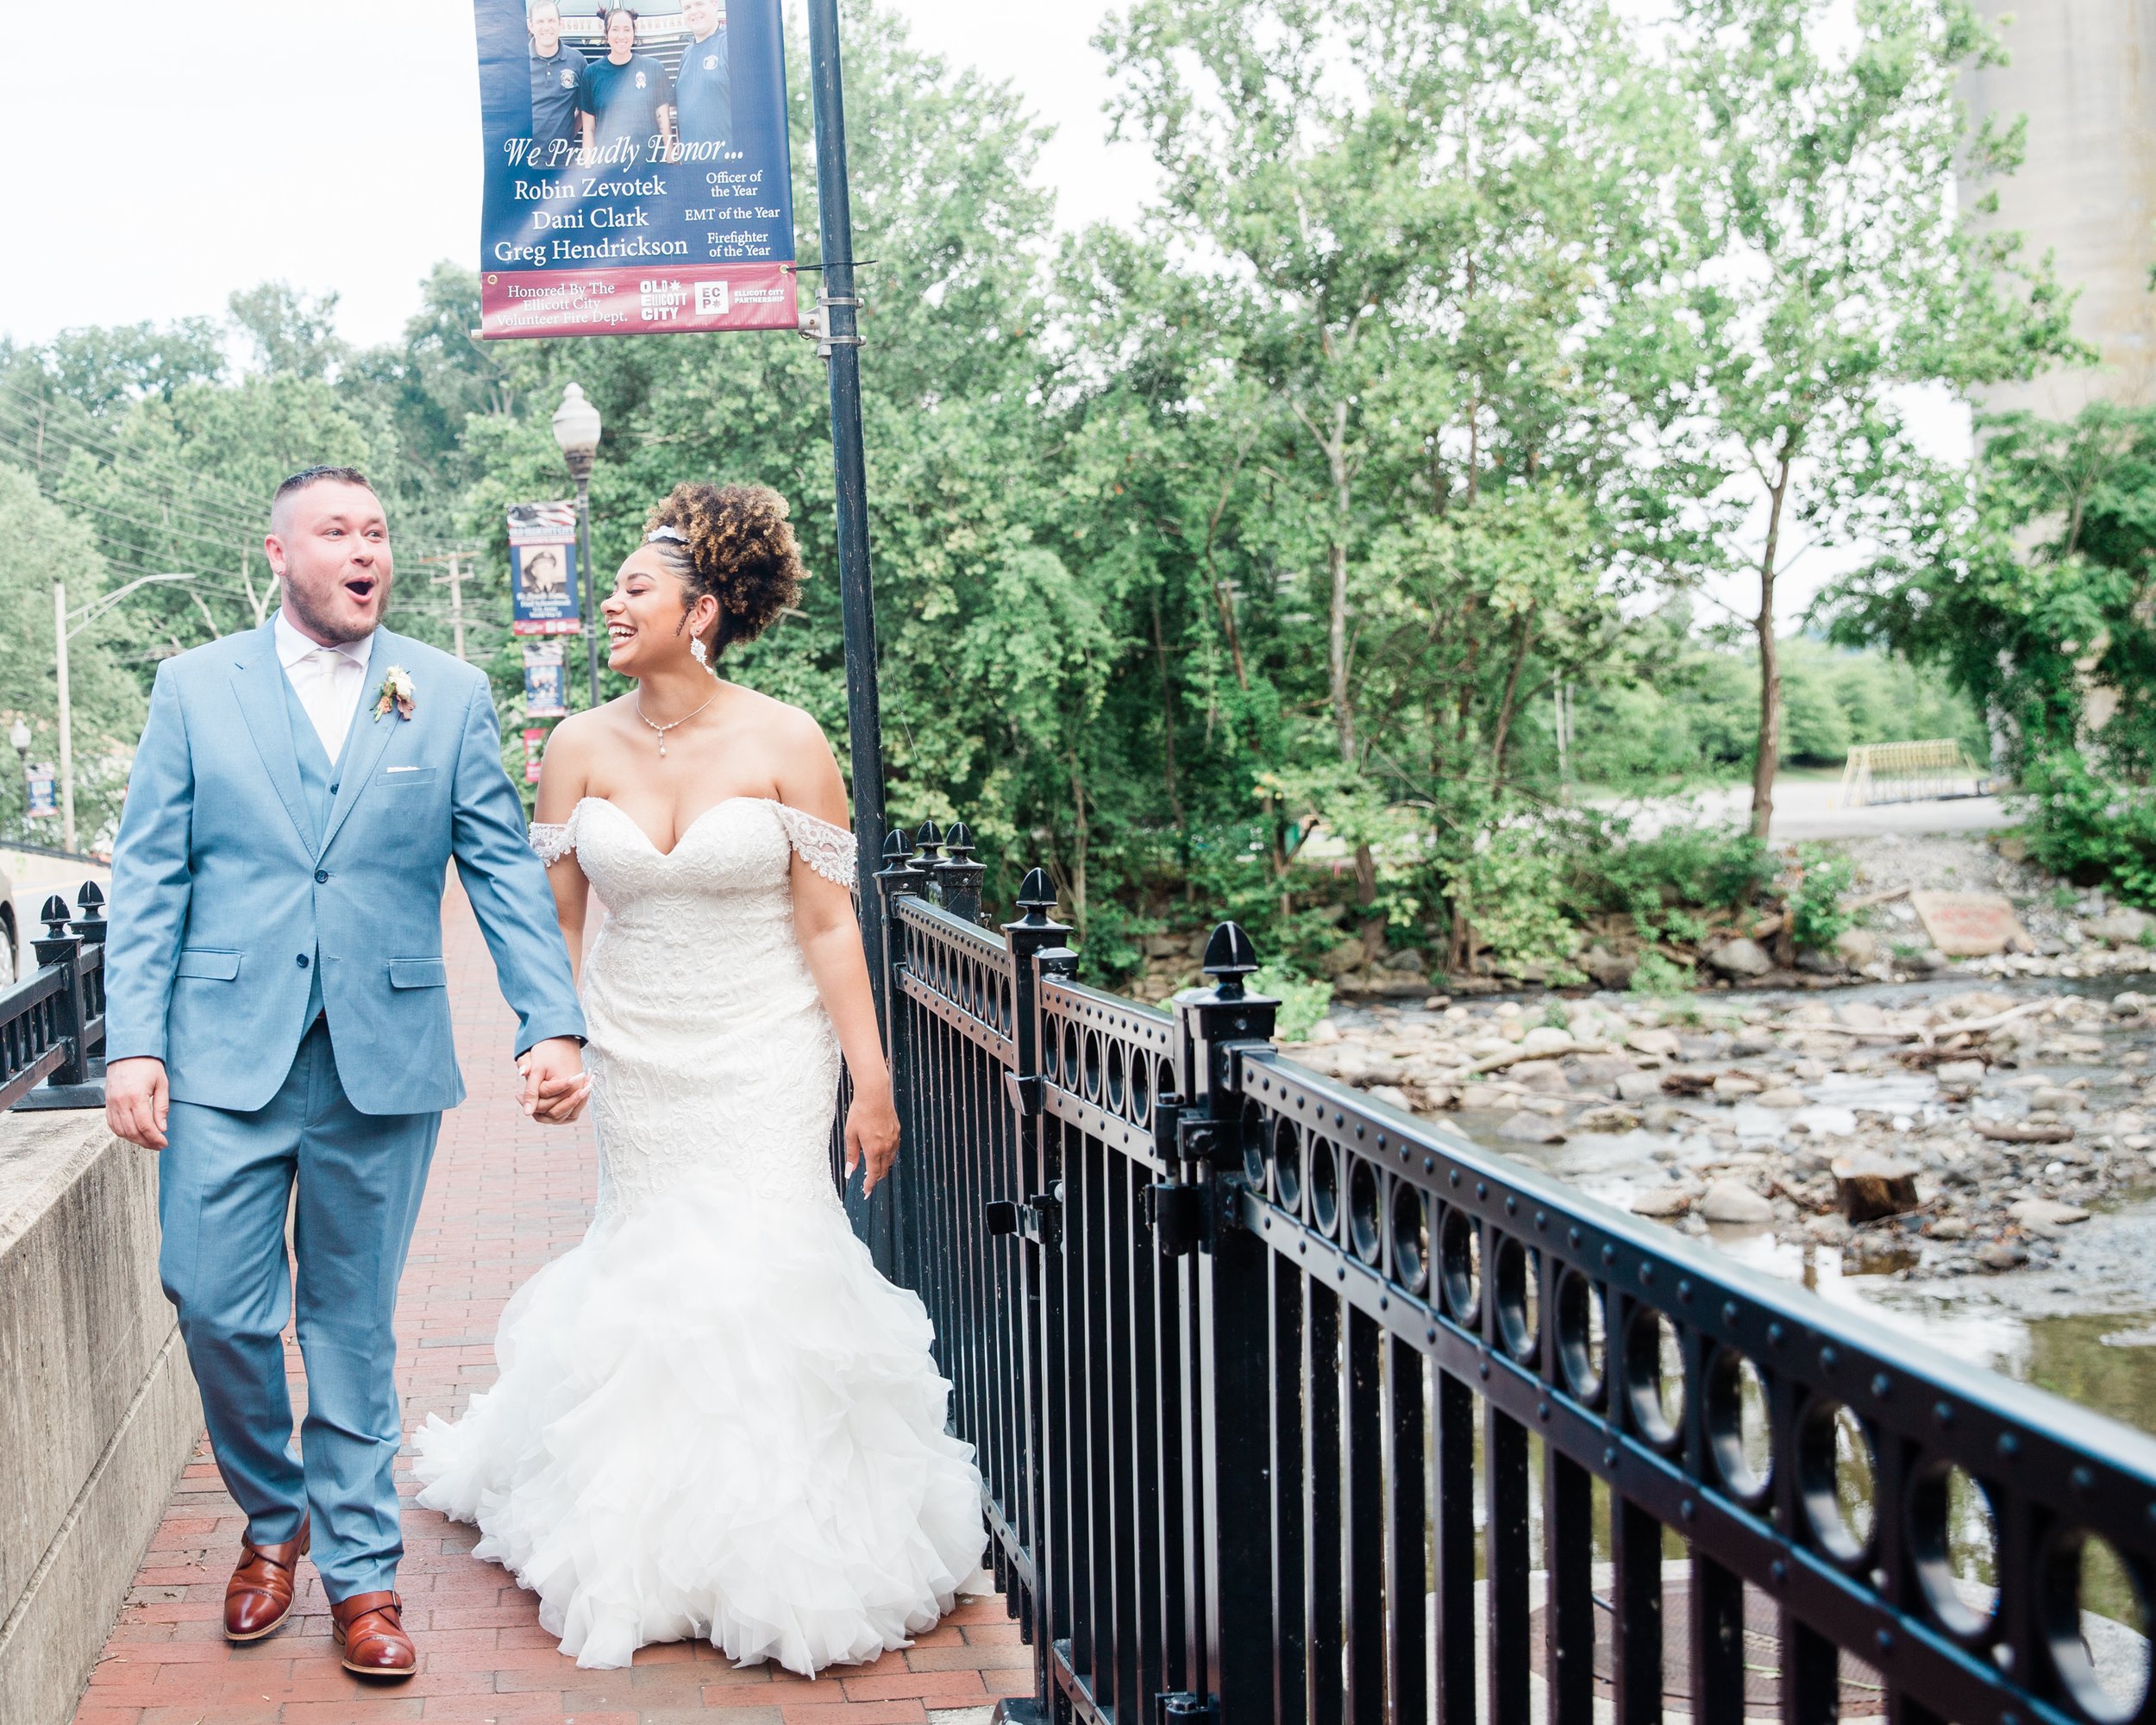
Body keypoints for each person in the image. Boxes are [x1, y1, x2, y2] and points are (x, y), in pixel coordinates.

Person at [412, 483, 983, 1674]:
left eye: (633, 587)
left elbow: (830, 930)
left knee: (761, 1265)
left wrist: (869, 1085)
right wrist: (547, 1039)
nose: (609, 604)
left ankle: (780, 1548)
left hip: (768, 1046)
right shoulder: (576, 745)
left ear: (703, 609)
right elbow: (551, 922)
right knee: (656, 1264)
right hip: (639, 1047)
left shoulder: (786, 741)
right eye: (613, 586)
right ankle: (644, 1536)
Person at [103, 467, 591, 1680]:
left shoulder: (449, 691)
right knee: (212, 1302)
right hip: (222, 1055)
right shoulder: (192, 689)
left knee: (351, 1326)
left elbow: (500, 869)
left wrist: (550, 1020)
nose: (365, 549)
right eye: (338, 532)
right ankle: (277, 1515)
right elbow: (151, 882)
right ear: (279, 553)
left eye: (378, 532)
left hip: (382, 1059)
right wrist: (135, 1042)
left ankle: (361, 1576)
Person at [576, 7, 674, 160]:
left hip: (650, 165)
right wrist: (588, 167)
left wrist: (671, 161)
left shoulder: (654, 68)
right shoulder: (591, 73)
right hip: (607, 168)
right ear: (606, 34)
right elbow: (588, 129)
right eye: (615, 29)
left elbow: (665, 123)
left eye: (627, 29)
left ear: (633, 34)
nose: (621, 35)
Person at [525, 0, 586, 154]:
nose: (546, 27)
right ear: (530, 25)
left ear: (560, 24)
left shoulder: (577, 61)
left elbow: (585, 109)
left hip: (564, 161)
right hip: (524, 160)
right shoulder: (519, 62)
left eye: (551, 21)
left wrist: (567, 137)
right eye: (540, 21)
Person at [668, 0, 730, 150]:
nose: (693, 11)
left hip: (726, 167)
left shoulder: (730, 42)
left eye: (699, 3)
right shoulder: (686, 54)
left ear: (715, 4)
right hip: (691, 165)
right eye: (687, 7)